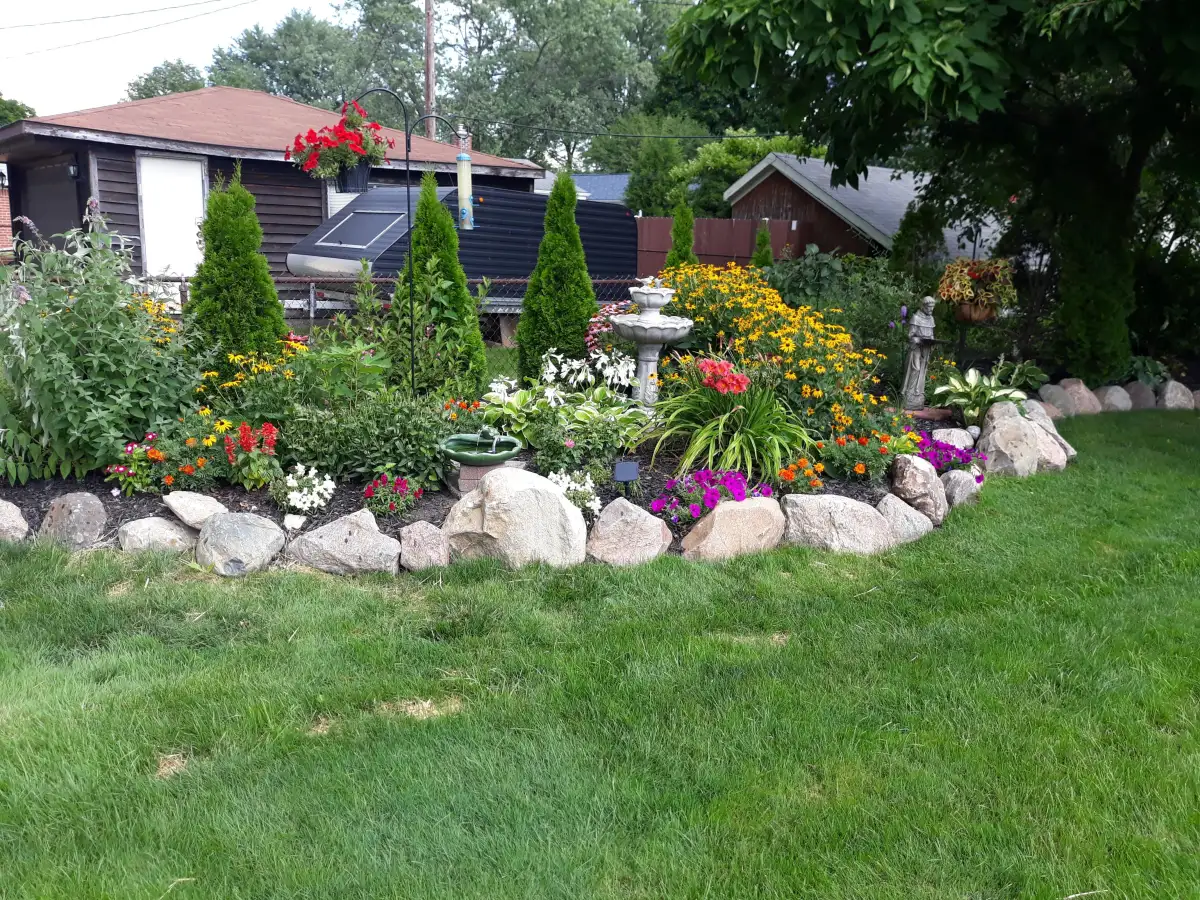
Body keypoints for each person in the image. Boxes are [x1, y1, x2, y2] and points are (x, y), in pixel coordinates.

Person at [902, 296, 937, 410]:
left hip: (926, 348)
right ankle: (909, 394)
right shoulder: (916, 318)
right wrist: (918, 340)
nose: (931, 311)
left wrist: (932, 340)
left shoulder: (931, 319)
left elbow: (931, 334)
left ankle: (918, 394)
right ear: (923, 306)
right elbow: (910, 336)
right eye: (929, 308)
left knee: (923, 370)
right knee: (915, 368)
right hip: (916, 348)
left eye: (932, 308)